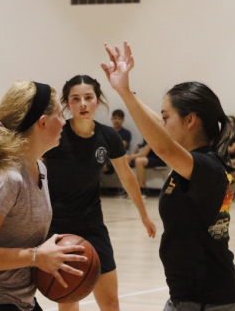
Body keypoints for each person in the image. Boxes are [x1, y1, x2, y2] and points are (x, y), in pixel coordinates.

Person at [102, 42, 235, 311]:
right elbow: (159, 127)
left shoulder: (206, 166)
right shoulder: (201, 160)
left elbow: (163, 146)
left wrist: (124, 93)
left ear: (190, 121)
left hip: (208, 301)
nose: (162, 122)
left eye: (167, 116)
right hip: (192, 297)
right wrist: (125, 90)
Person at [0, 80, 88, 311]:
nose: (64, 122)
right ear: (43, 122)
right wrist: (36, 257)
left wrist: (57, 258)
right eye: (61, 114)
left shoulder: (39, 169)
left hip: (19, 299)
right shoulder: (5, 178)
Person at [43, 75, 157, 311]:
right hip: (57, 229)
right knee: (68, 299)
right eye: (76, 99)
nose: (82, 103)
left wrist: (144, 215)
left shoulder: (108, 136)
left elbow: (126, 176)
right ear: (67, 104)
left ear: (98, 100)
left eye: (88, 97)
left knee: (110, 303)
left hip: (93, 226)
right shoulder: (56, 134)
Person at [102, 109, 132, 174]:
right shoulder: (107, 132)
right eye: (115, 118)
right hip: (108, 155)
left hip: (121, 156)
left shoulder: (127, 133)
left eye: (119, 119)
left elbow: (123, 144)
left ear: (123, 120)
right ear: (112, 119)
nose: (117, 120)